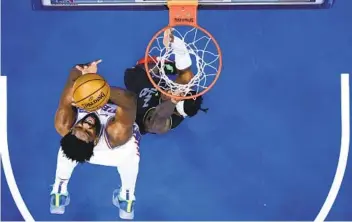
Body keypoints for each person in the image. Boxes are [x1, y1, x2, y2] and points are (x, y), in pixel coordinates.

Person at [50, 60, 141, 220]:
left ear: (72, 129)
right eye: (88, 131)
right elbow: (130, 101)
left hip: (84, 147)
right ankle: (127, 197)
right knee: (130, 161)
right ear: (94, 140)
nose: (86, 123)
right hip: (118, 154)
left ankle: (59, 192)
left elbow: (74, 73)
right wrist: (99, 90)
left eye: (79, 128)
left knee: (67, 151)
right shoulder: (116, 135)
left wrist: (83, 76)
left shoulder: (64, 124)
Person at [124, 30, 208, 135]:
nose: (179, 92)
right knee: (186, 76)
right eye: (183, 92)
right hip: (153, 84)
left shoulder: (165, 123)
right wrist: (174, 42)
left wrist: (171, 102)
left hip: (135, 106)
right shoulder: (180, 91)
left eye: (180, 95)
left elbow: (154, 125)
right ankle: (170, 67)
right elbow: (186, 73)